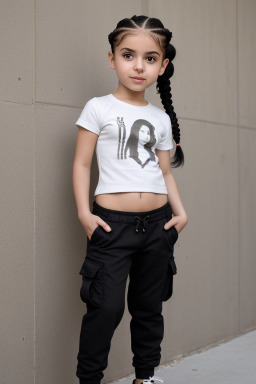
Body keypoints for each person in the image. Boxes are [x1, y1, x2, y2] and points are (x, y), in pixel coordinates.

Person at [72, 15, 188, 384]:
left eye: (150, 58)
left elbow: (165, 172)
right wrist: (84, 215)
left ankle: (145, 377)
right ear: (112, 59)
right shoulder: (98, 108)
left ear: (163, 65)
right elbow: (81, 164)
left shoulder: (160, 118)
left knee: (149, 307)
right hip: (111, 225)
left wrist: (180, 213)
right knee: (104, 308)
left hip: (158, 226)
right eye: (128, 55)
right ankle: (90, 379)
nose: (138, 66)